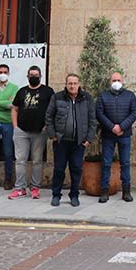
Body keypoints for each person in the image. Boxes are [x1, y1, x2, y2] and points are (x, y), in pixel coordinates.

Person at [45, 74, 96, 207]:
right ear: (66, 84)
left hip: (79, 142)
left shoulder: (87, 98)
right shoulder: (57, 97)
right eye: (70, 83)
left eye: (75, 83)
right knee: (59, 169)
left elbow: (92, 120)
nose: (72, 86)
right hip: (61, 141)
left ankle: (74, 195)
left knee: (76, 169)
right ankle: (56, 195)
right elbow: (49, 117)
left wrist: (88, 139)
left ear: (79, 84)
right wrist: (53, 135)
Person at [9, 65, 54, 199]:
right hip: (21, 131)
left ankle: (35, 188)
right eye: (31, 75)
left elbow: (53, 110)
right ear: (27, 77)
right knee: (20, 160)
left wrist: (47, 126)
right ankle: (20, 188)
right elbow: (14, 109)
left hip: (39, 132)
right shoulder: (22, 91)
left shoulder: (48, 91)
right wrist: (15, 126)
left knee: (37, 161)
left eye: (36, 75)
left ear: (40, 76)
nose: (34, 77)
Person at [95, 71, 136, 203]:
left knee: (125, 163)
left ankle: (126, 191)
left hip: (124, 134)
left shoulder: (130, 95)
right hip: (108, 134)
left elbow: (134, 112)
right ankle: (104, 191)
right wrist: (112, 127)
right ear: (110, 82)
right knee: (106, 163)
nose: (116, 83)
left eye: (118, 80)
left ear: (122, 81)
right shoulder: (103, 96)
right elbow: (99, 113)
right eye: (114, 80)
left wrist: (122, 127)